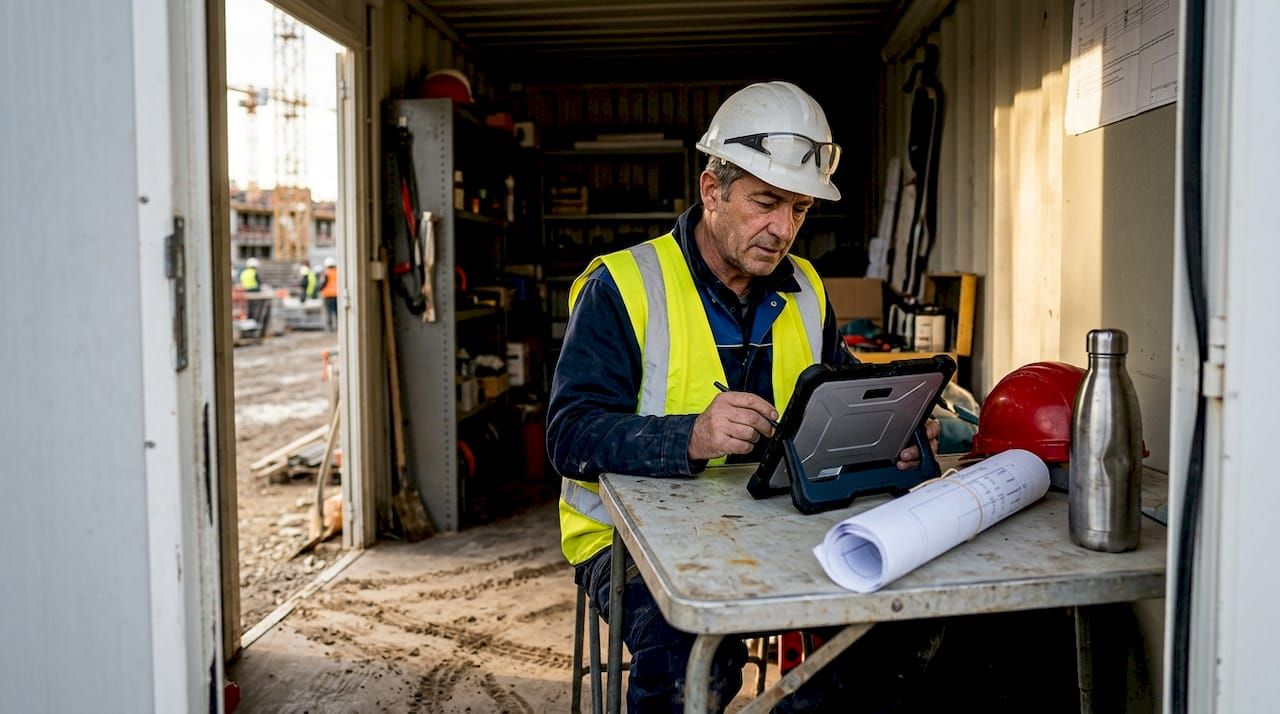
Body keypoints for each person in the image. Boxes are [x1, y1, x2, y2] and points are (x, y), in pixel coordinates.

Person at [547, 81, 942, 713]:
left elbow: (840, 397)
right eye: (766, 203)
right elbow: (569, 438)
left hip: (777, 524)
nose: (782, 228)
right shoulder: (623, 285)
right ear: (712, 191)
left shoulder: (807, 289)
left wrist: (887, 434)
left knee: (894, 619)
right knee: (693, 651)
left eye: (799, 211)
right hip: (627, 543)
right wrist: (691, 437)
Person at [320, 256, 338, 331]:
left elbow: (323, 283)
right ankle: (338, 326)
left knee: (329, 312)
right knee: (337, 312)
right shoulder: (338, 272)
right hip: (336, 294)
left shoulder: (326, 273)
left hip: (328, 295)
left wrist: (319, 288)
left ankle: (329, 327)